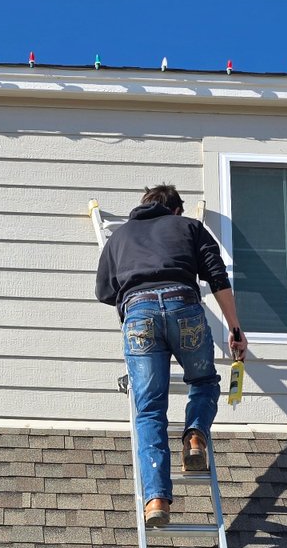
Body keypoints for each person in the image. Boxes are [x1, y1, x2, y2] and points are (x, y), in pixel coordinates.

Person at [96, 184, 247, 527]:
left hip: (138, 314)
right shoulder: (189, 227)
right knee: (204, 380)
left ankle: (156, 501)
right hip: (184, 306)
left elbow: (104, 291)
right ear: (176, 210)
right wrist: (235, 328)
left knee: (149, 409)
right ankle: (194, 436)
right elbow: (217, 276)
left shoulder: (119, 238)